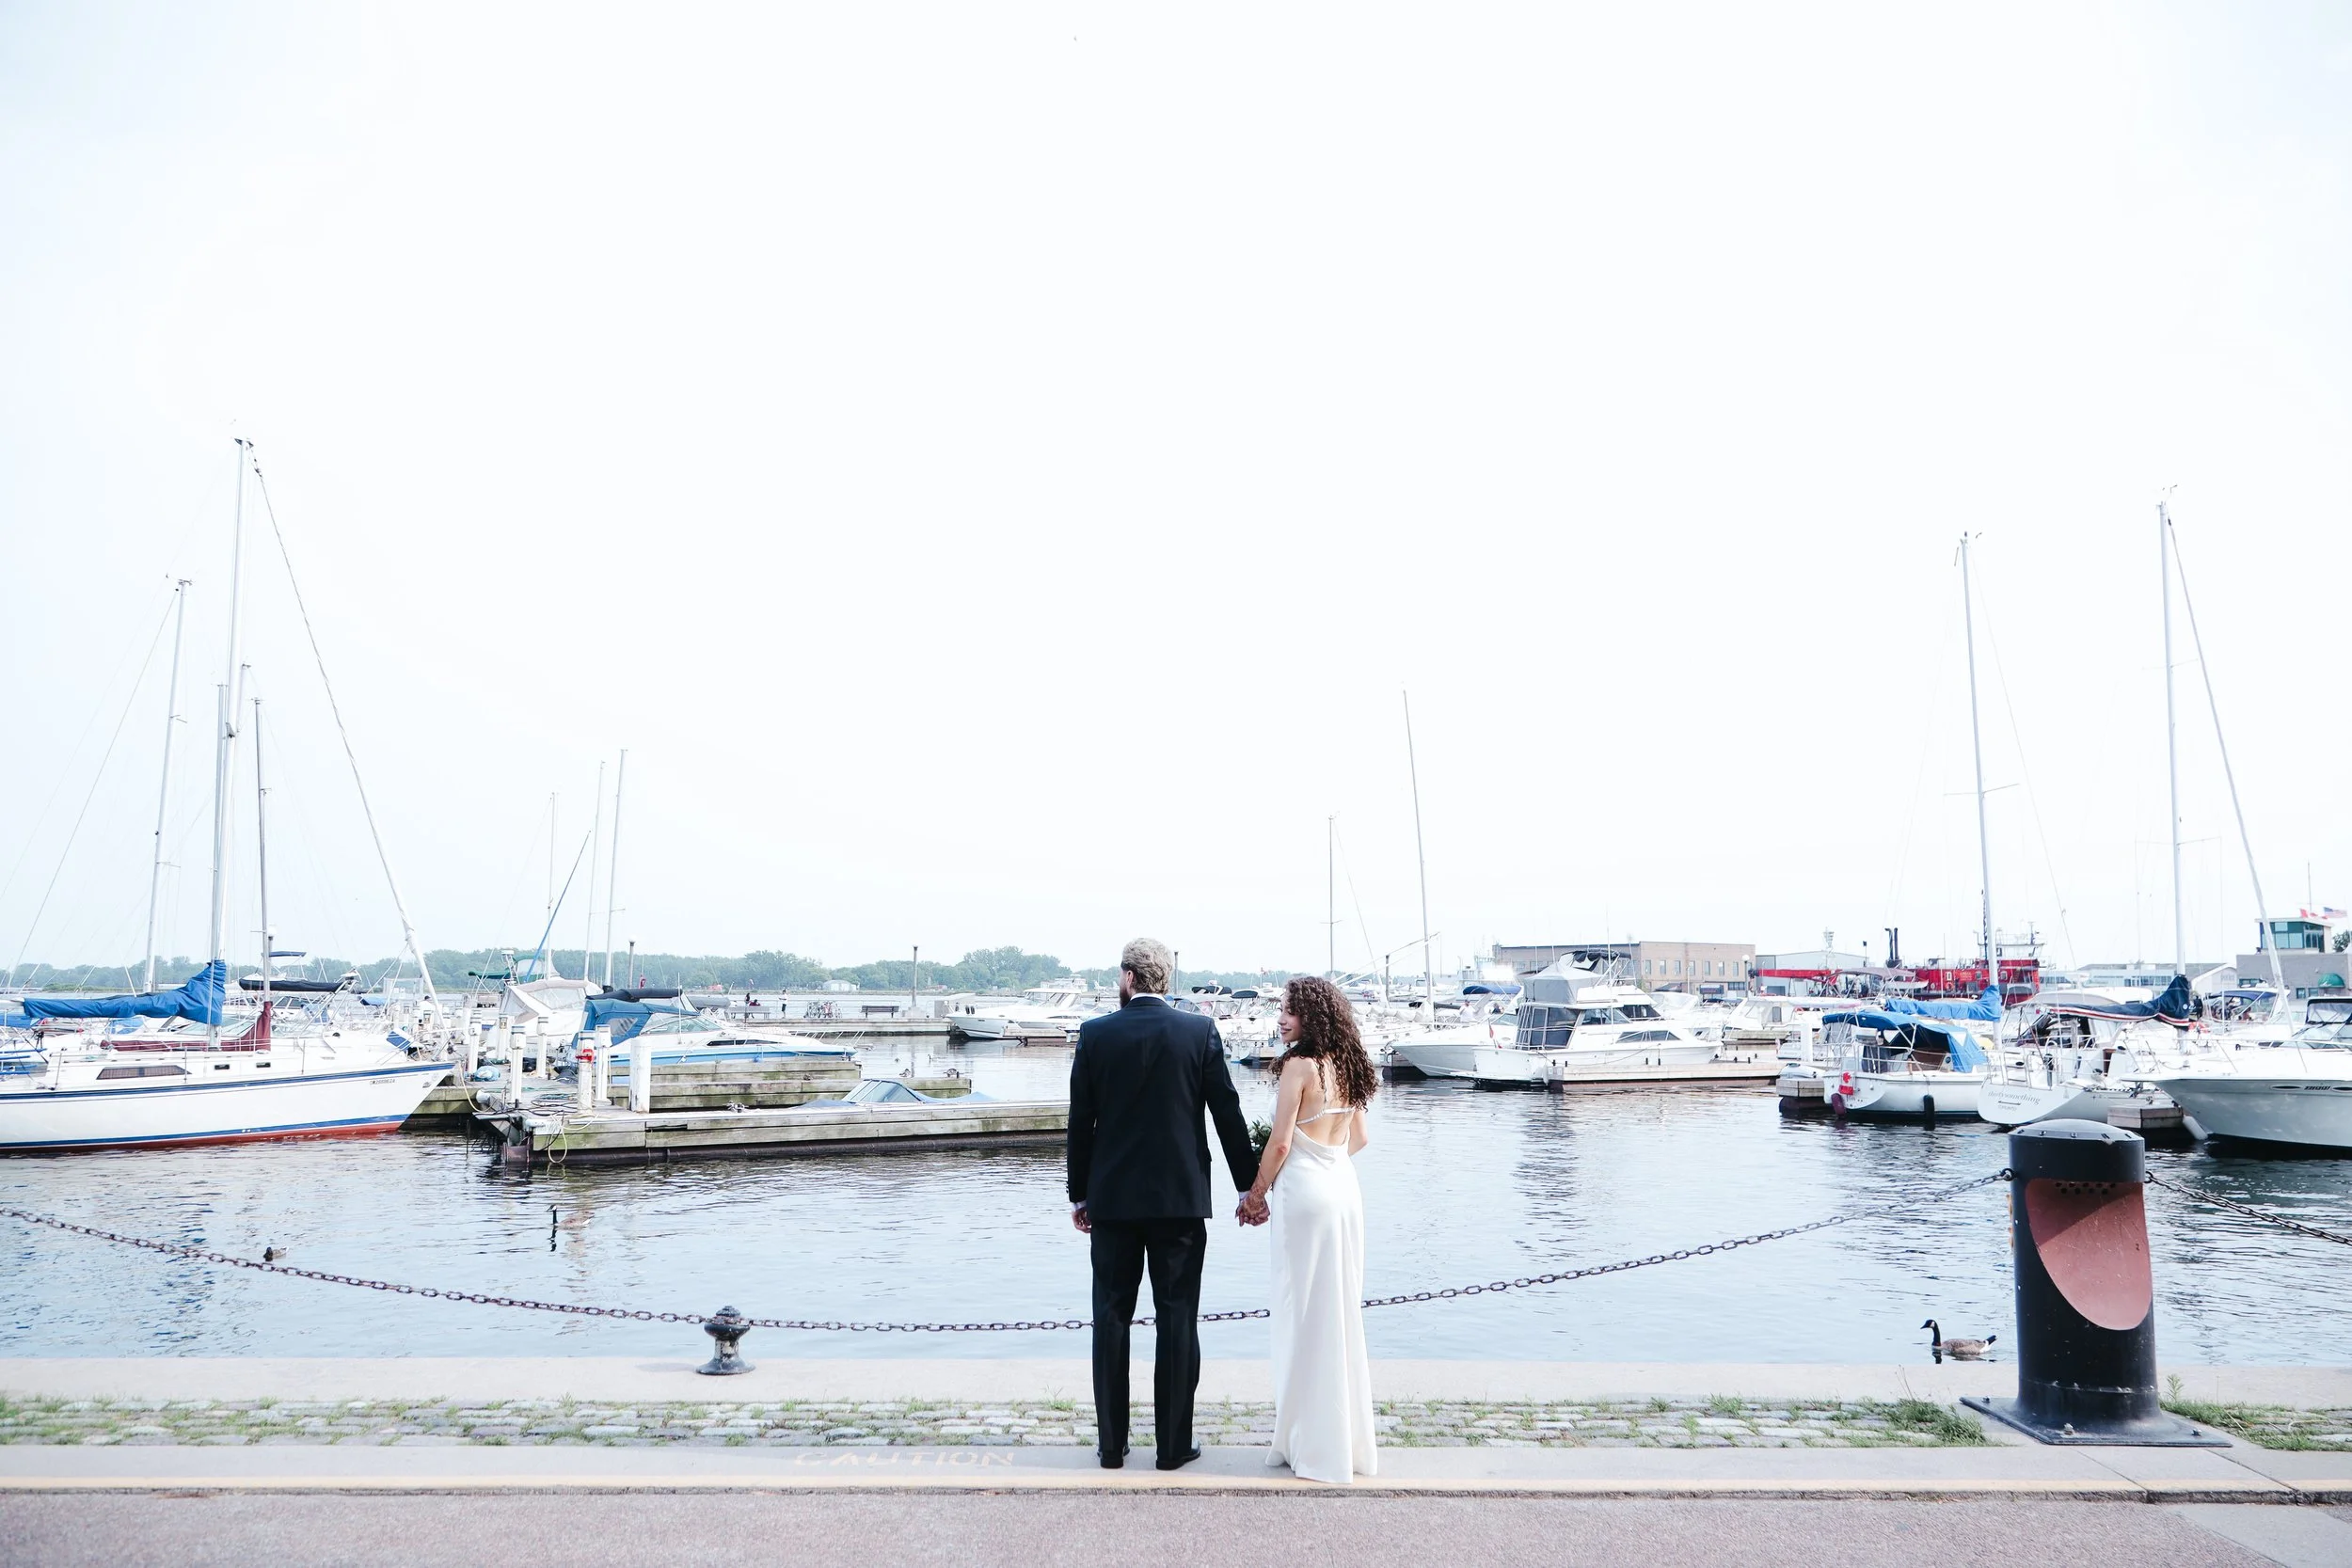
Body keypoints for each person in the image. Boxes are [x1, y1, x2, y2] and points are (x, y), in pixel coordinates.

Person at [1067, 937, 1260, 1470]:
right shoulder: (1197, 1031)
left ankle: (1111, 1446)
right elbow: (1226, 1112)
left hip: (1112, 1201)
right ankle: (1173, 1446)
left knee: (1110, 1317)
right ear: (1165, 981)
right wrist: (1249, 1187)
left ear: (1129, 977)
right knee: (1178, 1319)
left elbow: (1080, 1121)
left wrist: (1078, 1193)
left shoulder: (1095, 1034)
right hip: (1180, 1201)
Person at [1239, 974, 1377, 1484]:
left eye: (1289, 1011)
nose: (1281, 1019)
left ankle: (1306, 1441)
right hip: (1344, 1192)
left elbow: (1278, 1145)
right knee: (1339, 1312)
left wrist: (1256, 1196)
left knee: (1302, 1312)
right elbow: (1360, 1139)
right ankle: (1346, 1444)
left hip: (1305, 1197)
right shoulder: (1349, 1064)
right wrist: (1326, 1160)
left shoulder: (1299, 1066)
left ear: (1311, 1017)